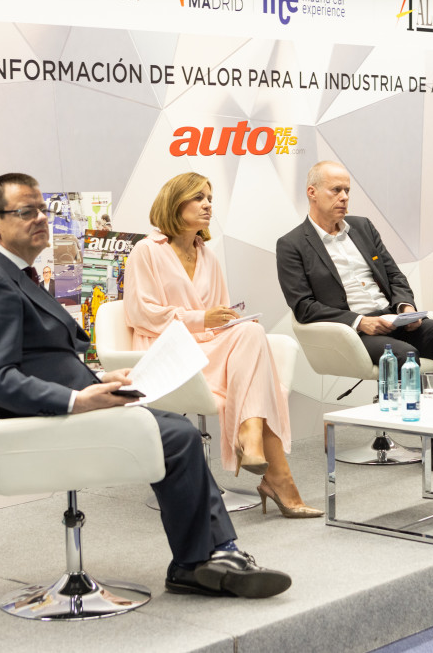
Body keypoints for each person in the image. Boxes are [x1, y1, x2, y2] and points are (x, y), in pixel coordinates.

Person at [0, 172, 292, 598]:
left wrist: (100, 380)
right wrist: (77, 398)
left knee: (173, 429)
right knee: (178, 434)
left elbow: (41, 359)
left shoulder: (15, 276)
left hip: (66, 409)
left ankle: (208, 557)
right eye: (25, 211)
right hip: (38, 423)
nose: (40, 219)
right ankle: (203, 559)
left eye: (43, 210)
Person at [276, 161, 433, 474]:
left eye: (347, 191)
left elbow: (395, 276)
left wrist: (405, 308)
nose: (344, 197)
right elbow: (304, 306)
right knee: (405, 355)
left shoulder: (363, 227)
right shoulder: (292, 244)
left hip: (392, 319)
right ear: (312, 193)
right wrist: (358, 321)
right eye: (336, 190)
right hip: (353, 331)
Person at [123, 172, 321, 519]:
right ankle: (271, 468)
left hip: (205, 348)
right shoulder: (146, 250)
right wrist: (202, 320)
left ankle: (253, 439)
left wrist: (230, 323)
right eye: (198, 198)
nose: (207, 205)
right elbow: (141, 313)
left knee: (250, 333)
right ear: (175, 202)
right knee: (253, 352)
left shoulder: (208, 256)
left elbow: (220, 317)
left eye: (210, 199)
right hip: (164, 351)